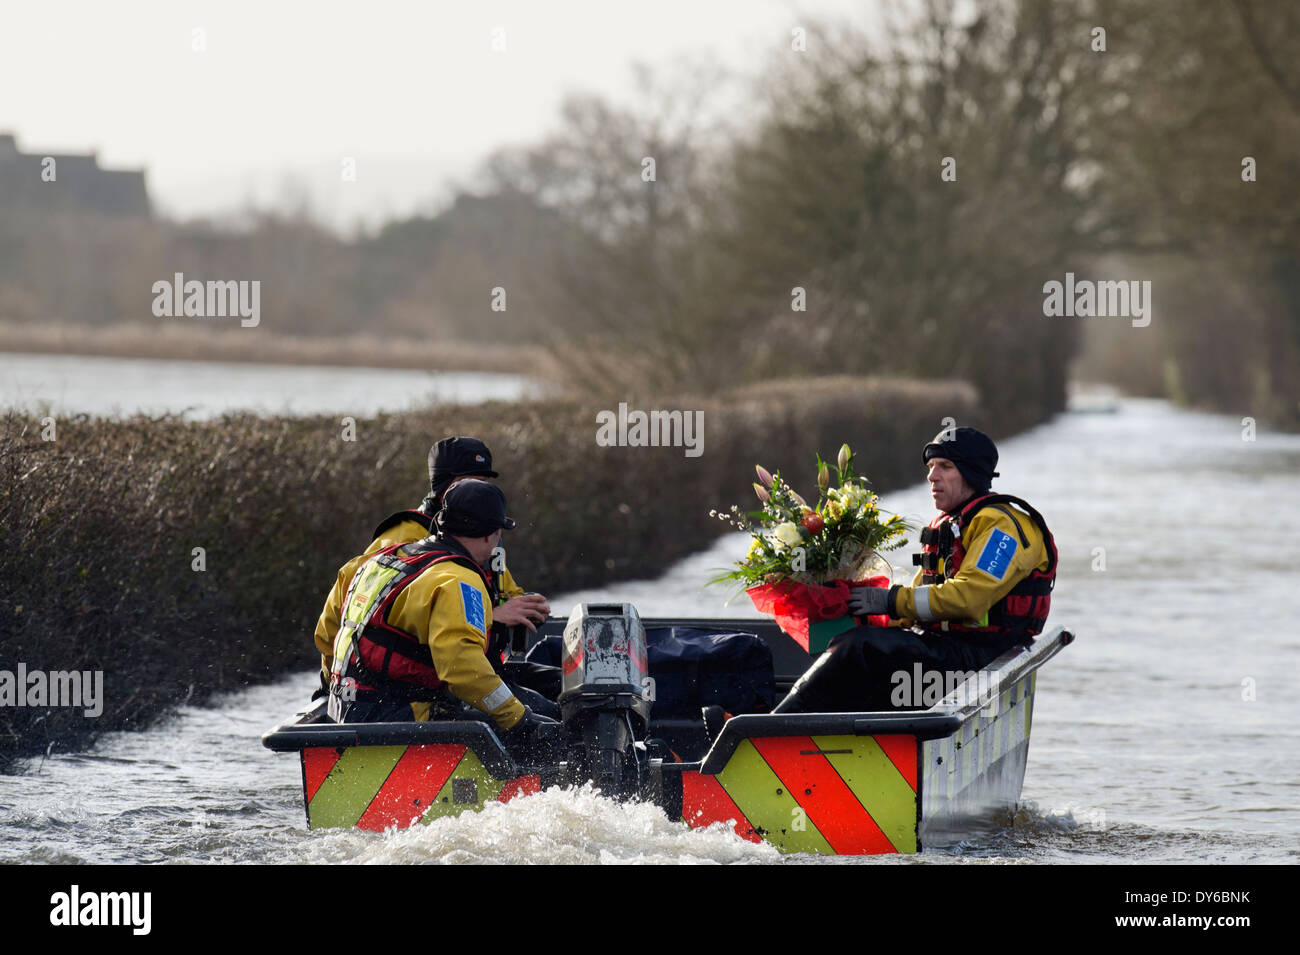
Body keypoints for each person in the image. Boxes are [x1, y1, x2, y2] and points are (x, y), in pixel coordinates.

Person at [773, 426, 1058, 713]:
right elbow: (924, 596)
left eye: (945, 466)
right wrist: (875, 614)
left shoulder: (1002, 528)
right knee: (849, 636)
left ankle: (771, 728)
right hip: (950, 653)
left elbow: (969, 598)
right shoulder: (953, 524)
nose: (932, 476)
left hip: (982, 663)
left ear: (972, 473)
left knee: (859, 648)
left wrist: (890, 601)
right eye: (931, 466)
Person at [327, 479, 557, 752]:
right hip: (398, 719)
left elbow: (326, 633)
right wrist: (520, 720)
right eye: (498, 535)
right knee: (550, 735)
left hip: (343, 712)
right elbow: (463, 668)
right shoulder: (459, 580)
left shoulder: (381, 560)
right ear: (489, 535)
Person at [313, 436, 550, 683]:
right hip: (422, 681)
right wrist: (334, 682)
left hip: (480, 668)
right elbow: (354, 612)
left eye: (484, 482)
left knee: (559, 685)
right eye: (468, 481)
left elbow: (504, 592)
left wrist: (525, 606)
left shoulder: (483, 534)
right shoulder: (400, 540)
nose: (480, 490)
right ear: (442, 486)